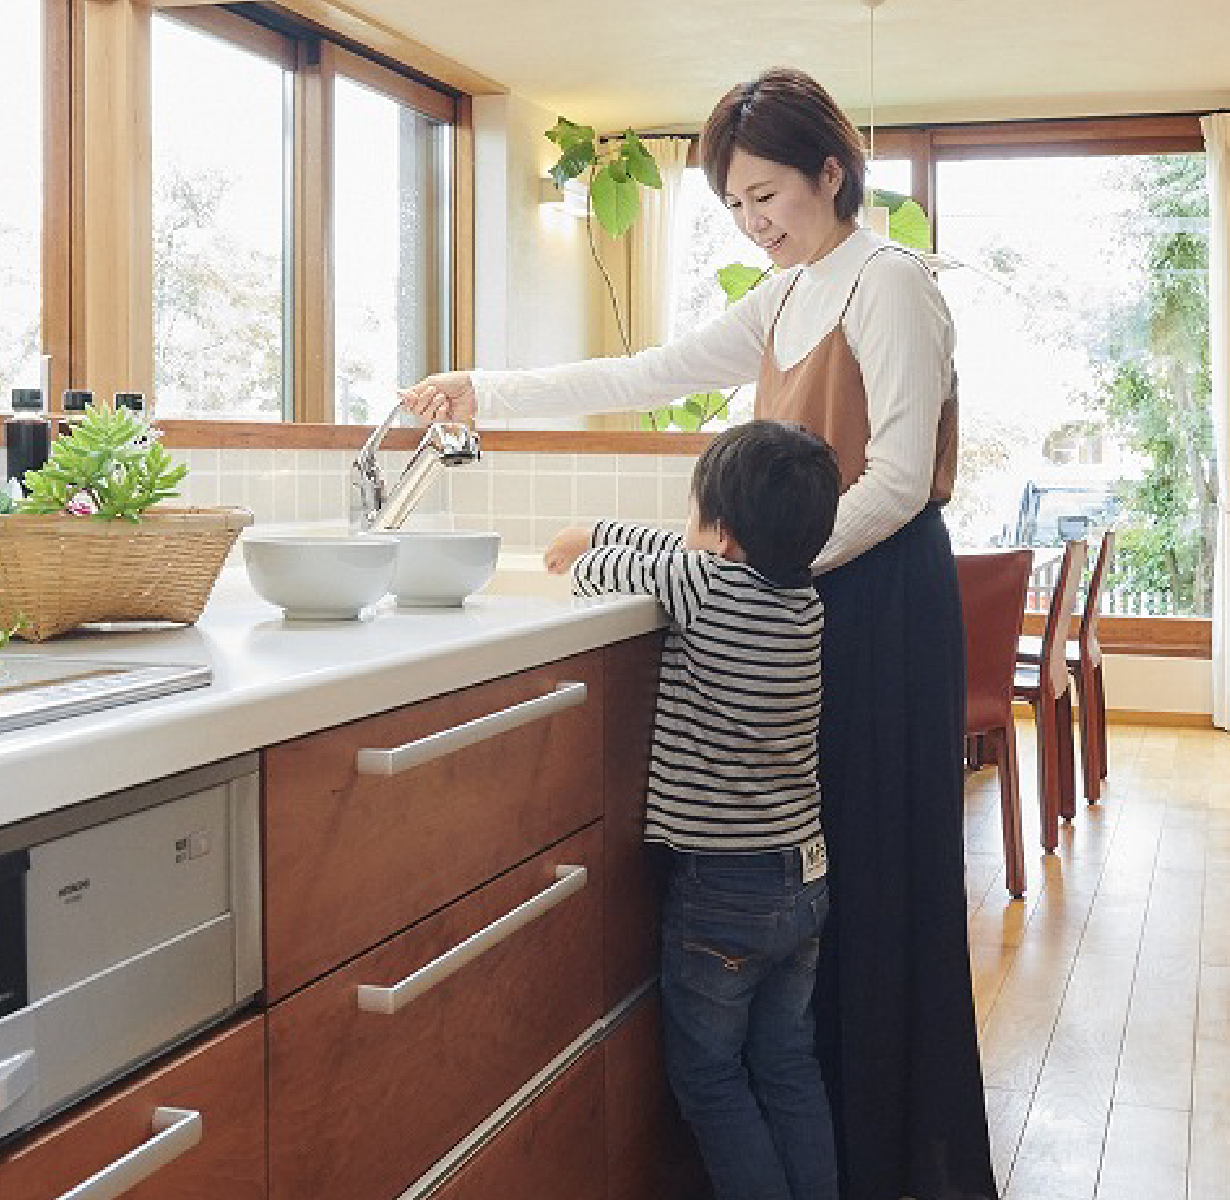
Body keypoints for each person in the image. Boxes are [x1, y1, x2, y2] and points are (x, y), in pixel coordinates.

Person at [400, 66, 997, 1200]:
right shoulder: (786, 295)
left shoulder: (890, 284)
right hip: (810, 600)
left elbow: (903, 482)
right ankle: (822, 1145)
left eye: (768, 194)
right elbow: (650, 371)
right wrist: (485, 388)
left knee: (870, 874)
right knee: (818, 884)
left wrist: (754, 568)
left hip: (879, 606)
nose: (755, 221)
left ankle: (887, 1153)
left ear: (832, 172)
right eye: (734, 206)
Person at [550, 419, 841, 1200]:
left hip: (722, 890)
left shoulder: (703, 586)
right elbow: (670, 553)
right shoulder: (805, 601)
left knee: (710, 1078)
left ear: (720, 534)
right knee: (787, 1064)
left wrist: (587, 540)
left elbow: (596, 571)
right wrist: (606, 528)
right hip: (802, 876)